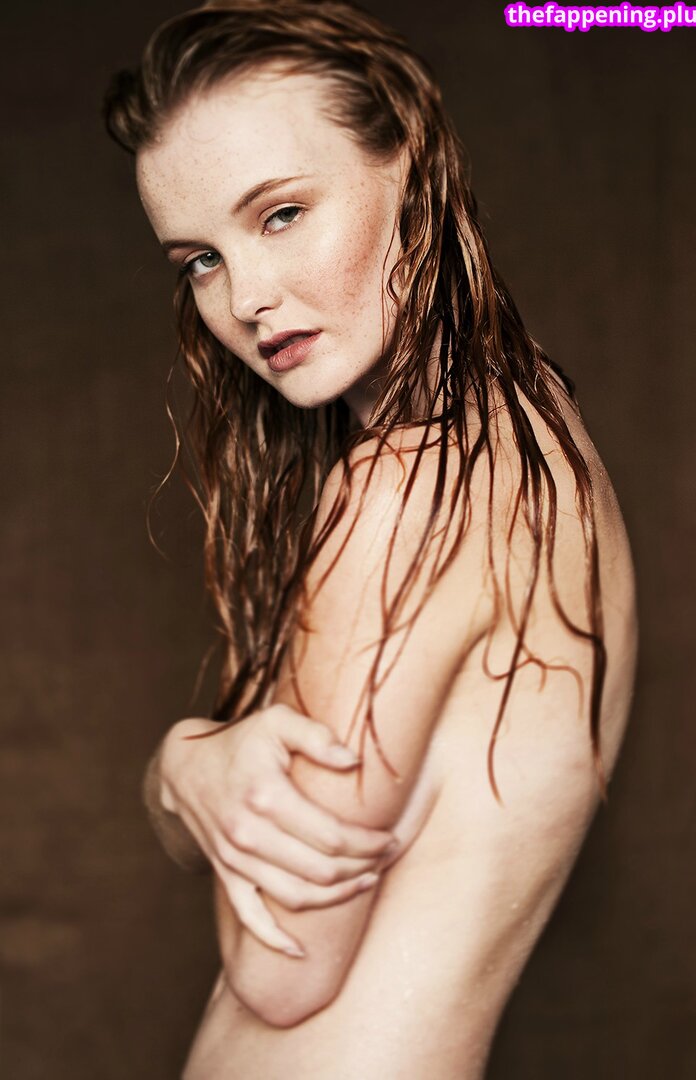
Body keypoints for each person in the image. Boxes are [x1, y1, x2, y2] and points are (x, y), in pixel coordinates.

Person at [104, 1, 639, 1075]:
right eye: (199, 259)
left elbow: (281, 965)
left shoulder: (404, 485)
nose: (248, 297)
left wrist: (178, 765)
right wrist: (192, 776)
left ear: (408, 161)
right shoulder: (534, 429)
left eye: (280, 214)